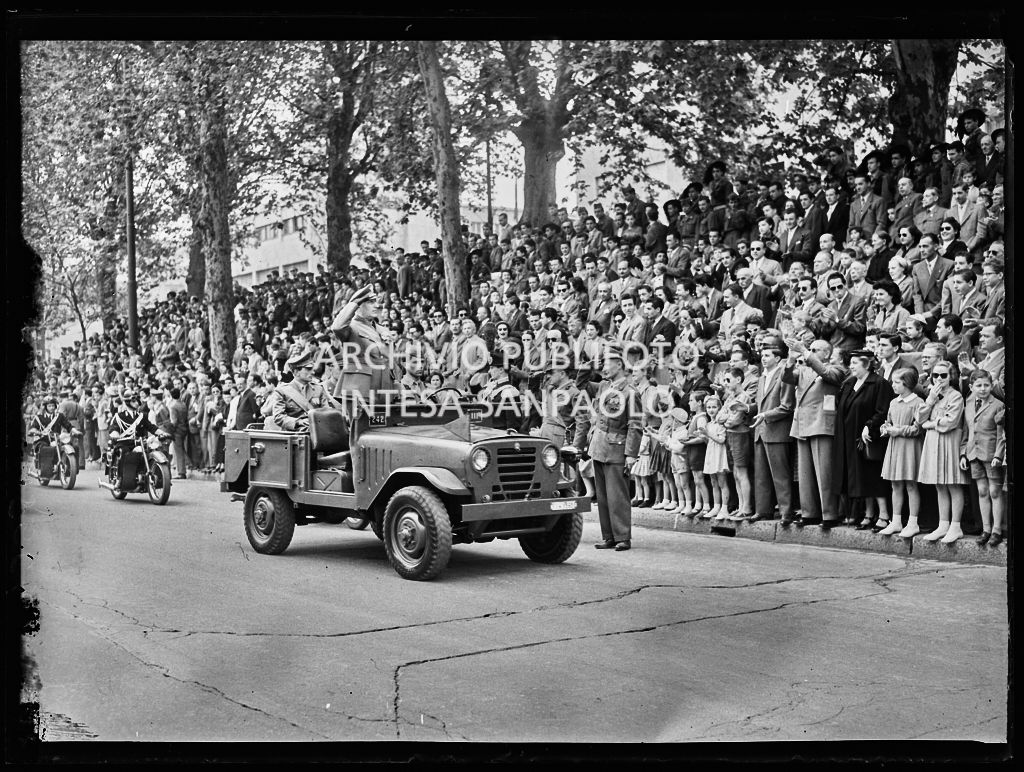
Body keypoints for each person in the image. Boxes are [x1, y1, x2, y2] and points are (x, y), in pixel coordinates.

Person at [572, 342, 642, 551]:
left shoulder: (630, 392)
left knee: (617, 495)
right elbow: (581, 384)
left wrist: (631, 454)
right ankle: (608, 535)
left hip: (617, 448)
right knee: (602, 496)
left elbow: (635, 425)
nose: (603, 367)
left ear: (619, 364)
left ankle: (623, 537)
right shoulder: (604, 386)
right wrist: (588, 365)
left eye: (607, 363)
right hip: (599, 447)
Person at [783, 338, 846, 527]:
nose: (809, 352)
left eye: (814, 349)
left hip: (821, 423)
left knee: (824, 472)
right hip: (802, 424)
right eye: (809, 349)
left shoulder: (837, 369)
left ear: (826, 353)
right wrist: (790, 359)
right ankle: (809, 512)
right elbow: (787, 378)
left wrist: (804, 350)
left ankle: (829, 514)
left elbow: (826, 373)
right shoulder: (805, 370)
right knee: (805, 474)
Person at [831, 350, 894, 530]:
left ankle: (883, 515)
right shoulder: (849, 383)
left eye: (855, 363)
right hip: (848, 437)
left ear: (866, 365)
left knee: (872, 476)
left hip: (868, 438)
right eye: (850, 363)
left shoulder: (879, 384)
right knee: (859, 478)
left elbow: (882, 410)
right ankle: (868, 513)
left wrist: (870, 425)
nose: (850, 366)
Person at [917, 359, 968, 543]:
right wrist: (930, 401)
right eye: (935, 375)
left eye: (943, 375)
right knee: (940, 484)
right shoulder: (932, 394)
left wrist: (931, 423)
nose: (939, 378)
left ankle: (956, 526)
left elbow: (951, 422)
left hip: (949, 441)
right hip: (933, 443)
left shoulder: (956, 396)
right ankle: (943, 524)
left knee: (953, 483)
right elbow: (919, 419)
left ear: (950, 376)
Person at [748, 338, 795, 523]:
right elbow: (760, 405)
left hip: (777, 431)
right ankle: (763, 510)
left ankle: (786, 511)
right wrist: (746, 408)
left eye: (767, 356)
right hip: (761, 430)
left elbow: (787, 406)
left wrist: (765, 415)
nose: (763, 359)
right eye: (762, 356)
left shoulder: (784, 375)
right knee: (761, 475)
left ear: (778, 358)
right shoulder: (762, 378)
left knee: (780, 475)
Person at [331, 284, 398, 409]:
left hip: (384, 390)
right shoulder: (351, 327)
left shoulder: (382, 329)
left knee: (385, 428)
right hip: (360, 389)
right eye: (371, 302)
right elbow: (337, 327)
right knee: (362, 427)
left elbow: (391, 361)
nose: (376, 306)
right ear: (359, 305)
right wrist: (353, 303)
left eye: (376, 302)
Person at [959, 369, 1005, 547]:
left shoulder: (998, 405)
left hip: (991, 454)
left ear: (992, 385)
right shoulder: (969, 404)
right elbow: (966, 431)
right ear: (971, 387)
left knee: (995, 491)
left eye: (986, 385)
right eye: (979, 385)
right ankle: (986, 529)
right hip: (974, 453)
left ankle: (997, 530)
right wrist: (963, 453)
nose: (983, 389)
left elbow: (1001, 434)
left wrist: (998, 455)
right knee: (982, 491)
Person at [879, 368, 925, 537]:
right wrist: (885, 428)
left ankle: (913, 523)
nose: (893, 385)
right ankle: (896, 521)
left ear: (906, 384)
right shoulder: (893, 402)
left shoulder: (918, 402)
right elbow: (888, 421)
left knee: (911, 484)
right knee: (895, 484)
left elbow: (918, 428)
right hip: (895, 446)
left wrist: (899, 430)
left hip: (909, 447)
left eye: (897, 382)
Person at [272, 349, 337, 432]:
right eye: (308, 369)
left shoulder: (318, 389)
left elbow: (327, 411)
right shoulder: (282, 391)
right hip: (294, 435)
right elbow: (278, 417)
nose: (313, 372)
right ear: (296, 372)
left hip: (318, 432)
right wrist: (298, 422)